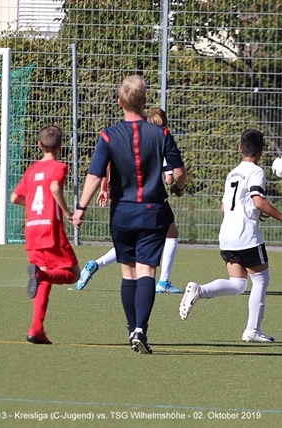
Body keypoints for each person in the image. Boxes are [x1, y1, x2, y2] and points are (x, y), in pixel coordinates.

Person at [72, 75, 187, 354]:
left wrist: (81, 207)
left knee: (128, 273)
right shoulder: (160, 134)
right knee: (147, 270)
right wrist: (179, 188)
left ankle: (132, 326)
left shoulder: (108, 135)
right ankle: (140, 329)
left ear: (119, 102)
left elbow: (94, 174)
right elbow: (179, 172)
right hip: (152, 211)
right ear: (145, 101)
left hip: (122, 212)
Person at [179, 129, 282, 342]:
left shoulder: (232, 173)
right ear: (261, 152)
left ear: (240, 148)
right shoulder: (257, 172)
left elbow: (225, 206)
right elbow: (257, 200)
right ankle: (252, 330)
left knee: (238, 284)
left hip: (227, 236)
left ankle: (199, 290)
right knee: (260, 281)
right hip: (246, 236)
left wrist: (254, 211)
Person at [75, 108, 183, 294]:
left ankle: (97, 264)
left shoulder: (128, 140)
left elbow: (105, 165)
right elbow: (169, 178)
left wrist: (103, 188)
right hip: (152, 202)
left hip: (126, 202)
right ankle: (163, 281)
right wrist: (176, 185)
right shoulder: (159, 140)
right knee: (170, 235)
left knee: (131, 245)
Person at [10, 125, 81, 345]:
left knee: (43, 277)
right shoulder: (60, 167)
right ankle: (42, 275)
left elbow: (14, 198)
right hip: (51, 229)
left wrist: (31, 204)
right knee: (73, 274)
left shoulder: (31, 170)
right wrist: (68, 212)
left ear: (39, 145)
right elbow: (54, 188)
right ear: (60, 147)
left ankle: (36, 329)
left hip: (32, 229)